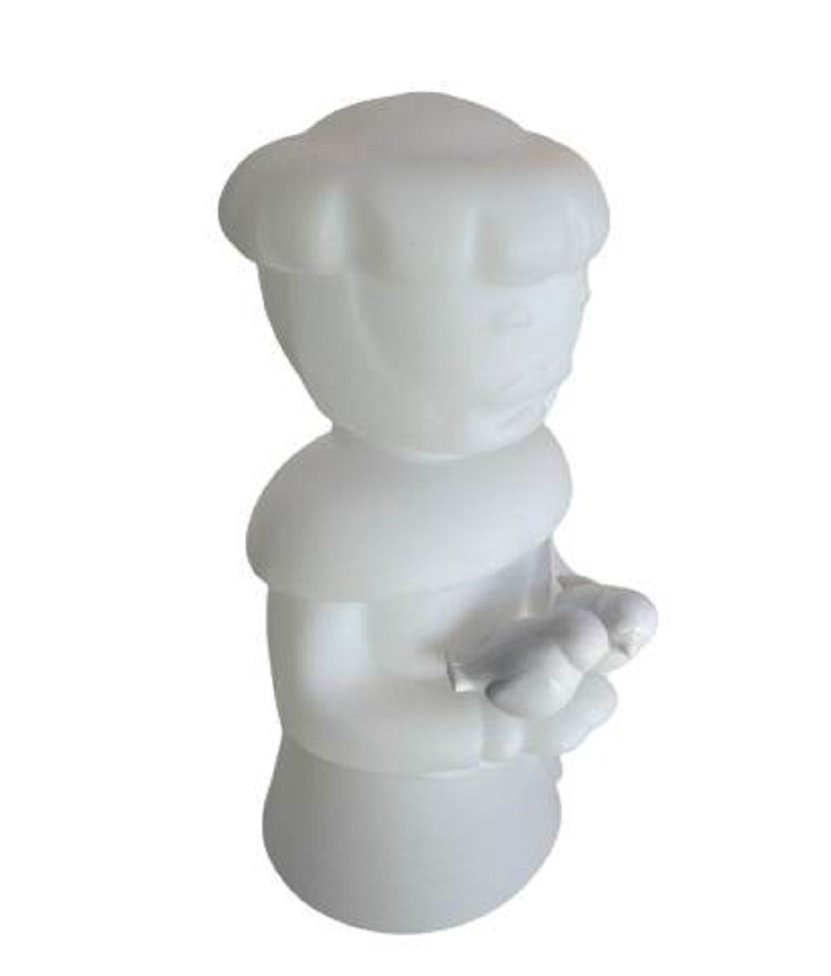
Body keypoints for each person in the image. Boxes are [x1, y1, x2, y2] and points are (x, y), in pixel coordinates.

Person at [220, 92, 656, 932]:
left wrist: (584, 602)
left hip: (508, 797)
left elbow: (535, 572)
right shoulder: (330, 524)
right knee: (404, 867)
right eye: (504, 322)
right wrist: (498, 736)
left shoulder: (528, 467)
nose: (547, 360)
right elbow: (325, 705)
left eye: (568, 308)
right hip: (374, 844)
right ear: (342, 327)